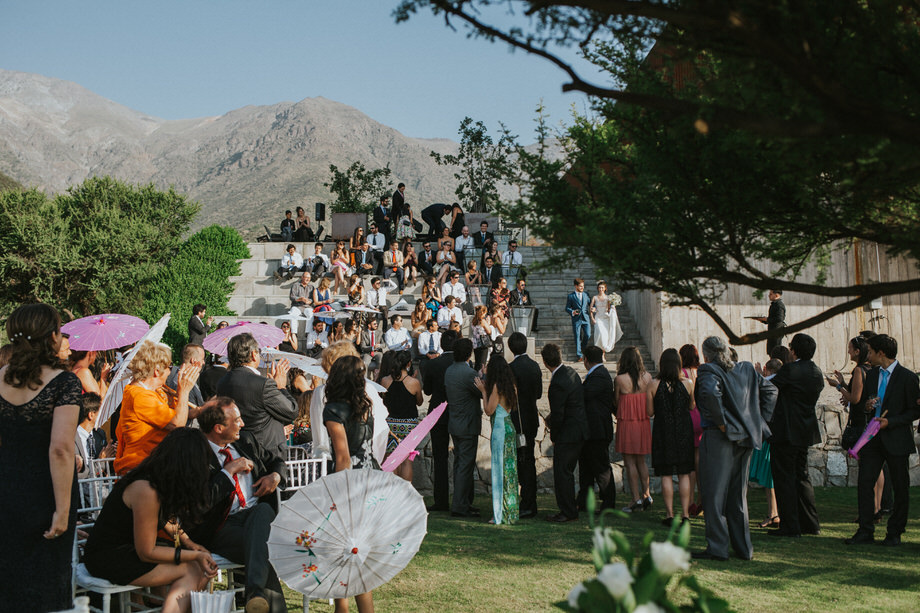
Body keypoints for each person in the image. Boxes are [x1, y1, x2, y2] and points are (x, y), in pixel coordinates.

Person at [0, 304, 82, 612]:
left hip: (6, 486)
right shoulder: (64, 382)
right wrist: (63, 510)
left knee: (8, 584)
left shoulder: (0, 377)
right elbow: (60, 449)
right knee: (47, 586)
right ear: (51, 336)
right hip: (47, 493)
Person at [84, 428, 218, 613]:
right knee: (193, 569)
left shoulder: (157, 477)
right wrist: (194, 555)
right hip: (109, 556)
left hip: (129, 549)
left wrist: (189, 543)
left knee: (199, 566)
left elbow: (164, 518)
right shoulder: (146, 489)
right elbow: (146, 552)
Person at [194, 397, 288, 613]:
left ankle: (255, 593)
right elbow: (202, 502)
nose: (243, 424)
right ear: (218, 428)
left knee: (263, 511)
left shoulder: (245, 441)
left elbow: (277, 461)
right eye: (236, 420)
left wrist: (274, 476)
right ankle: (255, 593)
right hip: (222, 527)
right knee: (263, 548)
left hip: (258, 519)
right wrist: (228, 471)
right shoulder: (196, 454)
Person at [692, 336, 777, 561]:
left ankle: (718, 548)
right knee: (738, 497)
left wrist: (722, 424)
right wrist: (758, 424)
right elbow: (771, 391)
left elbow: (710, 394)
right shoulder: (747, 369)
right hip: (745, 438)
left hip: (719, 436)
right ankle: (743, 548)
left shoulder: (708, 370)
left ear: (706, 354)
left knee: (714, 495)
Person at [846, 334, 920, 547]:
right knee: (865, 482)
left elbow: (915, 410)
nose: (867, 355)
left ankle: (895, 532)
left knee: (900, 486)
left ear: (881, 353)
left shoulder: (907, 377)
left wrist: (892, 421)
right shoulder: (872, 374)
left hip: (896, 438)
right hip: (872, 438)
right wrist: (868, 407)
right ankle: (865, 530)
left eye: (870, 351)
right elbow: (868, 401)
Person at [323, 355, 378, 613]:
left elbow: (343, 457)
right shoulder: (365, 406)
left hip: (349, 484)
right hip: (371, 480)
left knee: (346, 553)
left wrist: (336, 495)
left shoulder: (333, 409)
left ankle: (343, 609)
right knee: (354, 553)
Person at [115, 340, 202, 475]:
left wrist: (180, 391)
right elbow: (177, 424)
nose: (170, 371)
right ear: (156, 371)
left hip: (152, 466)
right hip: (142, 470)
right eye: (169, 367)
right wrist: (184, 391)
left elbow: (175, 413)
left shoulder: (151, 391)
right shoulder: (139, 396)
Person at [767, 333, 823, 538]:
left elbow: (770, 386)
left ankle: (790, 526)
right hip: (805, 430)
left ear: (793, 351)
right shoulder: (816, 372)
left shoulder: (790, 370)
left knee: (784, 479)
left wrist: (760, 376)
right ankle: (810, 523)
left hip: (785, 430)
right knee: (802, 477)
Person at [216, 333, 296, 462]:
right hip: (267, 454)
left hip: (237, 449)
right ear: (253, 354)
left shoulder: (222, 382)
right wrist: (281, 387)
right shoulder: (263, 384)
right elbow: (291, 411)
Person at [541, 343, 588, 522]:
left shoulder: (557, 383)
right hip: (579, 429)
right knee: (566, 472)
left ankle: (567, 511)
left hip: (568, 433)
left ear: (545, 362)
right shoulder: (571, 373)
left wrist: (554, 436)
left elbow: (559, 414)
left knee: (562, 473)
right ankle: (570, 508)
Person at [648, 348, 695, 524]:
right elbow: (692, 406)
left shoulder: (653, 384)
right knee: (684, 474)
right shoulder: (688, 383)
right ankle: (685, 514)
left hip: (663, 431)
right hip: (683, 430)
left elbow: (649, 412)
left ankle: (669, 514)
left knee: (666, 475)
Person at [470, 354, 518, 525]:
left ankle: (499, 514)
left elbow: (489, 410)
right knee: (509, 469)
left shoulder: (497, 387)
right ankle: (509, 510)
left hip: (500, 429)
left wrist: (483, 391)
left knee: (499, 469)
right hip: (509, 426)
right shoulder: (510, 385)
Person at [420, 330, 459, 512]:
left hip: (437, 411)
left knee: (440, 457)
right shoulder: (462, 364)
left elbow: (427, 391)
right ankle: (462, 499)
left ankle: (441, 500)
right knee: (462, 456)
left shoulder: (433, 364)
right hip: (457, 411)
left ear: (441, 345)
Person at [576, 345, 617, 513]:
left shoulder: (600, 376)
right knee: (586, 468)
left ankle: (608, 502)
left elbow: (584, 395)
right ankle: (584, 501)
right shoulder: (598, 375)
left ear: (586, 360)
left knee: (601, 469)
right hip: (591, 430)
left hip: (598, 430)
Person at [506, 332, 542, 519]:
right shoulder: (535, 366)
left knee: (523, 462)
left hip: (518, 420)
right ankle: (530, 500)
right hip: (531, 419)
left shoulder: (511, 368)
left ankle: (527, 502)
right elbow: (538, 394)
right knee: (529, 460)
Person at [446, 338, 483, 518]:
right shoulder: (468, 374)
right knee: (464, 466)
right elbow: (481, 391)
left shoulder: (450, 371)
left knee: (460, 463)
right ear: (469, 353)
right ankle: (460, 505)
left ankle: (464, 502)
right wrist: (481, 377)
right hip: (467, 425)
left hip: (455, 423)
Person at [615, 346, 654, 512]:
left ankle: (635, 499)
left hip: (627, 422)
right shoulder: (648, 377)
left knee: (629, 462)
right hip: (642, 422)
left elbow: (616, 402)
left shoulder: (620, 379)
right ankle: (647, 494)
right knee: (641, 461)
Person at [380, 351, 423, 482]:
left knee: (391, 458)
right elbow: (419, 401)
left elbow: (383, 399)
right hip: (409, 424)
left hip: (390, 424)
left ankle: (392, 491)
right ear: (409, 364)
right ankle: (406, 491)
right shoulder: (413, 382)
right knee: (406, 460)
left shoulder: (385, 380)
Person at [750, 357, 783, 528]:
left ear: (766, 369)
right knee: (770, 478)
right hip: (773, 434)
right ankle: (773, 513)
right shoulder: (781, 384)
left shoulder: (768, 384)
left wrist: (758, 376)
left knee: (769, 479)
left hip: (767, 435)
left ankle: (773, 513)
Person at [679, 344, 704, 516]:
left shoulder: (682, 373)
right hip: (702, 415)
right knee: (700, 462)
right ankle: (702, 501)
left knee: (690, 467)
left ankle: (690, 502)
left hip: (689, 415)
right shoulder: (701, 372)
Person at [75, 392, 115, 478]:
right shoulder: (71, 438)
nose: (103, 415)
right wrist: (101, 463)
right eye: (101, 411)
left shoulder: (99, 434)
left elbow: (106, 470)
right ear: (91, 415)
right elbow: (80, 474)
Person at [166, 343, 206, 408]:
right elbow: (189, 411)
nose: (203, 362)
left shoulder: (184, 376)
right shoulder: (183, 382)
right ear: (193, 361)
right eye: (202, 359)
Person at [590, 281, 621, 354]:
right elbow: (591, 309)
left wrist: (613, 307)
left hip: (606, 318)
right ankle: (600, 353)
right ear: (597, 288)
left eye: (602, 288)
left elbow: (610, 309)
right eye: (599, 287)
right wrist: (592, 318)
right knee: (599, 334)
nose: (601, 289)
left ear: (605, 288)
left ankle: (603, 353)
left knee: (604, 336)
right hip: (598, 318)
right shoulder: (595, 297)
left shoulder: (608, 298)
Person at [566, 278, 592, 360]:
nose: (582, 288)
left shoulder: (586, 294)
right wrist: (573, 312)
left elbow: (591, 304)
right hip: (576, 319)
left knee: (588, 334)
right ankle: (579, 355)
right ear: (576, 286)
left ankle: (582, 348)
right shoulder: (570, 296)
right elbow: (567, 308)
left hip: (586, 318)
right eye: (580, 286)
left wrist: (593, 308)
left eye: (583, 286)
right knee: (577, 336)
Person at [754, 289, 786, 356]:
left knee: (775, 353)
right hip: (772, 332)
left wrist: (766, 319)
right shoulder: (774, 304)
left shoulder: (779, 305)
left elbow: (779, 319)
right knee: (771, 351)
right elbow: (772, 319)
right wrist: (763, 320)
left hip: (776, 333)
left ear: (776, 295)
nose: (769, 296)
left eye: (771, 294)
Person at [287, 271, 315, 336]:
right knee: (293, 313)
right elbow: (292, 297)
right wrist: (300, 299)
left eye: (309, 278)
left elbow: (313, 299)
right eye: (306, 277)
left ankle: (308, 332)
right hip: (297, 306)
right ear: (302, 277)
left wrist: (309, 301)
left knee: (311, 314)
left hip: (307, 306)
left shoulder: (311, 287)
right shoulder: (295, 285)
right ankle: (294, 333)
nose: (308, 279)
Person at [470, 305, 493, 371]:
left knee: (477, 362)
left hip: (475, 343)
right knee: (482, 363)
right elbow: (489, 331)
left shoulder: (474, 320)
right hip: (483, 343)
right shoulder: (482, 321)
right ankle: (481, 378)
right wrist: (488, 323)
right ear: (483, 312)